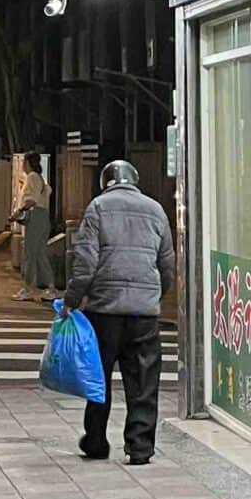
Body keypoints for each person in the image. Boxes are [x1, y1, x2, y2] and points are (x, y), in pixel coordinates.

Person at [63, 159, 175, 467]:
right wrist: (153, 296)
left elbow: (85, 263)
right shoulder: (156, 210)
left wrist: (72, 299)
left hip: (104, 310)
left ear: (106, 182)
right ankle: (140, 447)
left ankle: (96, 441)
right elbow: (167, 266)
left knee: (98, 378)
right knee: (143, 382)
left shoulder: (98, 208)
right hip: (144, 314)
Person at [13, 151, 51, 298]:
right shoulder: (40, 178)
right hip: (43, 216)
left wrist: (18, 212)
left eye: (23, 162)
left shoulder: (31, 177)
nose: (22, 165)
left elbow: (31, 200)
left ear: (27, 163)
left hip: (35, 216)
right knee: (40, 254)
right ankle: (50, 288)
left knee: (30, 253)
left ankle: (28, 288)